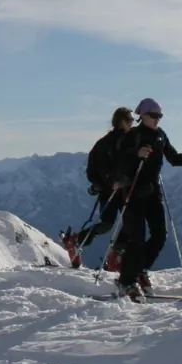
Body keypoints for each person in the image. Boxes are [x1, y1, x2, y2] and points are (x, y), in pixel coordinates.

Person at [110, 98, 182, 299]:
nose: (158, 120)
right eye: (155, 115)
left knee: (160, 234)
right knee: (136, 239)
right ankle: (126, 281)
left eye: (160, 116)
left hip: (153, 191)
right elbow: (120, 161)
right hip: (133, 191)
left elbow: (173, 158)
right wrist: (137, 155)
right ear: (144, 115)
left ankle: (138, 269)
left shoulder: (159, 136)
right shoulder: (134, 136)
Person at [66, 106, 135, 268]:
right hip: (113, 190)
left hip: (115, 189)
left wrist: (103, 184)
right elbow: (96, 168)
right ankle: (114, 257)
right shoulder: (109, 143)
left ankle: (80, 242)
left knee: (118, 223)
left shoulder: (113, 142)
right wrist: (109, 183)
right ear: (122, 121)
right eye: (130, 120)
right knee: (112, 224)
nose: (132, 123)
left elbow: (93, 170)